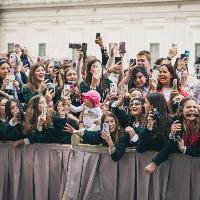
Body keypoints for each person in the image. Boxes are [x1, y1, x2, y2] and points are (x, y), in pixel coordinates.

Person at [144, 97, 200, 174]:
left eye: (195, 107)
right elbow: (167, 148)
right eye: (188, 107)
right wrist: (172, 135)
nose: (192, 109)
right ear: (181, 110)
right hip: (180, 167)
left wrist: (185, 149)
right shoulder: (176, 123)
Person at [65, 111, 132, 161]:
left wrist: (109, 142)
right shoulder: (102, 133)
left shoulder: (123, 135)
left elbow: (116, 157)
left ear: (116, 122)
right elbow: (91, 135)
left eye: (112, 121)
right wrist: (76, 132)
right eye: (107, 122)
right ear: (103, 125)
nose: (110, 124)